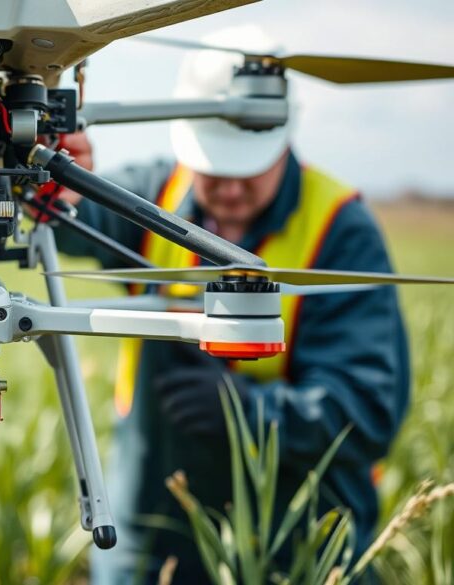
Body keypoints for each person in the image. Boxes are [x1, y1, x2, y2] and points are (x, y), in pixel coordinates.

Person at [53, 25, 409, 583]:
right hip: (151, 535)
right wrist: (59, 182)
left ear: (284, 138)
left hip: (293, 542)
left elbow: (367, 411)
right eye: (215, 170)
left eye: (248, 170)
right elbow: (74, 219)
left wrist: (243, 412)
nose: (231, 189)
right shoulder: (155, 198)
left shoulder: (339, 229)